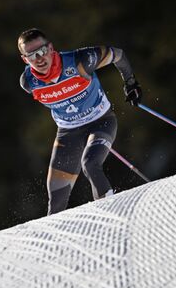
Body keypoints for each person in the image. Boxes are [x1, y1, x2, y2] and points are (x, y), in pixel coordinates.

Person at [18, 28, 142, 215]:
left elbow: (118, 55)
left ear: (51, 48)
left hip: (100, 121)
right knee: (56, 199)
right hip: (68, 133)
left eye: (42, 51)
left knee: (90, 164)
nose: (40, 59)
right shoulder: (28, 82)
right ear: (25, 59)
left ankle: (113, 215)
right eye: (32, 55)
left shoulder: (80, 61)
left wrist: (130, 82)